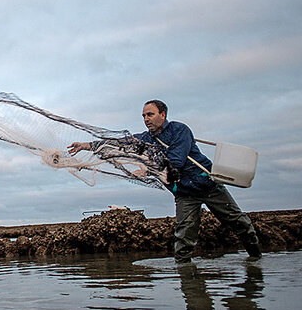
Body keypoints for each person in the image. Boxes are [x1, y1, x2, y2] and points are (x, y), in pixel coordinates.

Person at [68, 100, 262, 263]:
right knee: (184, 237)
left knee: (239, 223)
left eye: (150, 115)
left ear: (163, 114)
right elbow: (119, 143)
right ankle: (186, 276)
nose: (146, 120)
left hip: (208, 185)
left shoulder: (180, 130)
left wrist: (147, 169)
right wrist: (86, 145)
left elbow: (176, 160)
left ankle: (256, 260)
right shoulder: (144, 139)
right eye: (143, 116)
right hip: (184, 193)